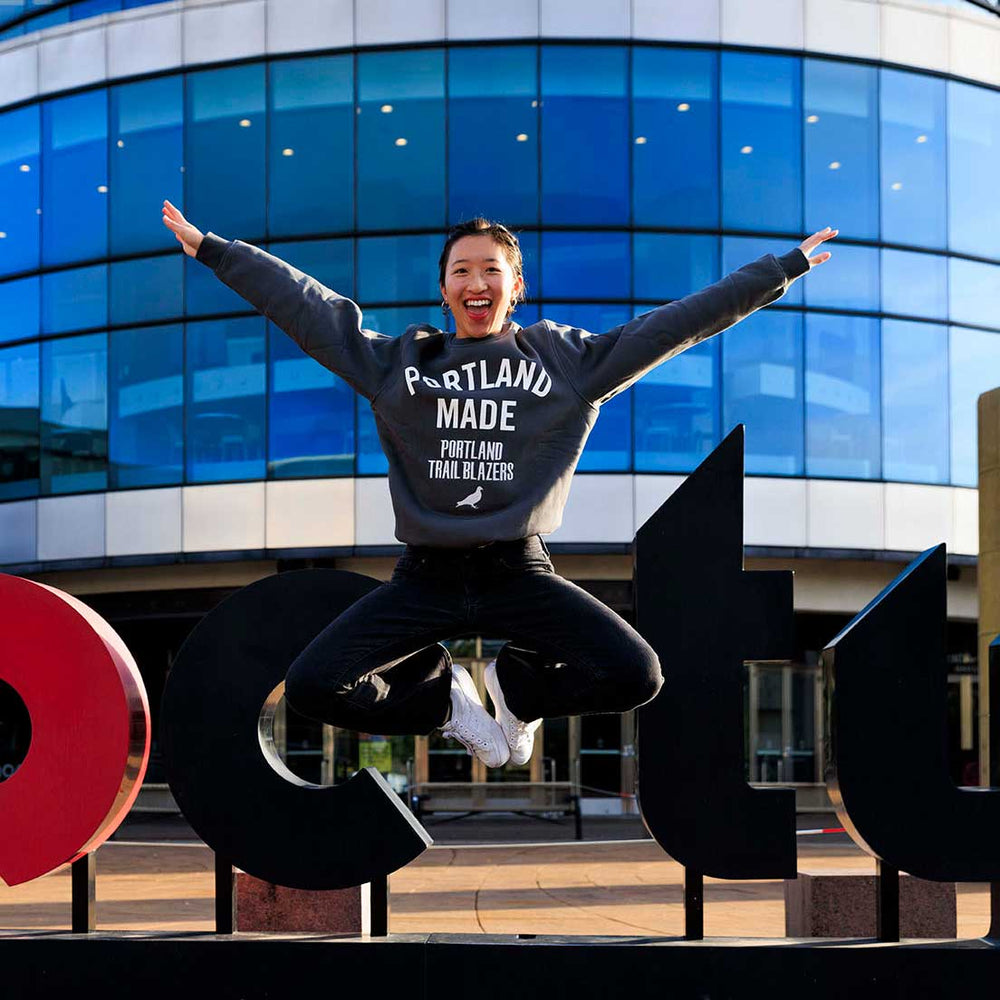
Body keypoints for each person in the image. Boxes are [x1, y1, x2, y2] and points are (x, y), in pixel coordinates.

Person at [162, 200, 836, 768]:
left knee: (638, 675)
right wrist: (215, 251)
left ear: (517, 286)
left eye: (492, 269)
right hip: (424, 579)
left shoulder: (567, 362)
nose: (475, 280)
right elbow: (308, 308)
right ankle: (447, 698)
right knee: (314, 686)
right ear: (446, 288)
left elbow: (679, 325)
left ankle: (515, 687)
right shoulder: (399, 364)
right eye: (462, 270)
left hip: (520, 573)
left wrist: (781, 269)